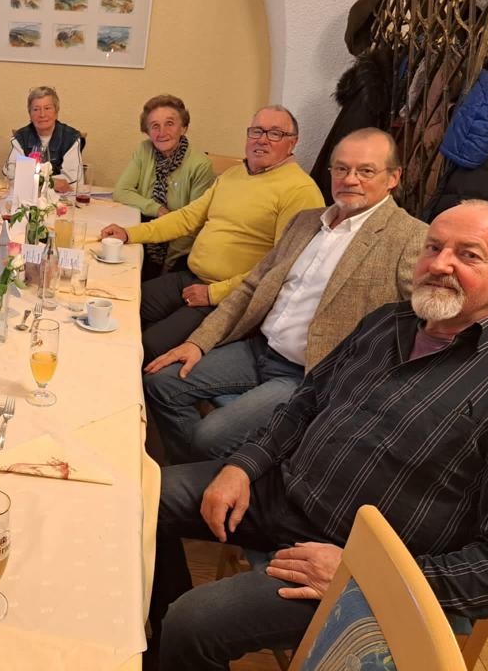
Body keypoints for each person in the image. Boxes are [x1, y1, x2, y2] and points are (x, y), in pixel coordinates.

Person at [148, 199, 488, 670]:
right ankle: (151, 640)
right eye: (433, 247)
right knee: (141, 499)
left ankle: (173, 640)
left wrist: (366, 574)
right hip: (282, 491)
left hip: (358, 561)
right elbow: (305, 401)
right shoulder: (388, 321)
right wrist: (244, 464)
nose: (441, 264)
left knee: (194, 621)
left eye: (469, 255)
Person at [143, 128, 427, 462]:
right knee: (161, 385)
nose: (350, 179)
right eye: (341, 168)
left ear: (393, 178)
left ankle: (217, 474)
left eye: (366, 171)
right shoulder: (306, 222)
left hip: (308, 374)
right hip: (259, 349)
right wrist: (198, 342)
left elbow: (429, 327)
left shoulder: (411, 238)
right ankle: (199, 472)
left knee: (209, 436)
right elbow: (251, 287)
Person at [101, 106, 324, 362]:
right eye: (256, 131)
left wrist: (214, 293)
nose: (262, 140)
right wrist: (129, 234)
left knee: (145, 346)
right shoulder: (234, 175)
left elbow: (281, 269)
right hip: (190, 277)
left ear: (293, 142)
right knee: (115, 305)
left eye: (275, 133)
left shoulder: (300, 191)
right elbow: (187, 218)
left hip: (227, 298)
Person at [113, 94, 216, 279]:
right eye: (155, 126)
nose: (162, 132)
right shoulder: (145, 150)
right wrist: (157, 209)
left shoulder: (200, 165)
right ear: (147, 131)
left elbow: (194, 225)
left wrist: (167, 264)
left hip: (178, 248)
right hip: (144, 234)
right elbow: (121, 191)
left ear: (183, 127)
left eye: (169, 123)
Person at [2, 85, 85, 193]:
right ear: (30, 113)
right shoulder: (20, 138)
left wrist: (30, 179)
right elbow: (12, 176)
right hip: (27, 199)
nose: (42, 114)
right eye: (36, 109)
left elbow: (72, 181)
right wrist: (51, 182)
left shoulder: (71, 138)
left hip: (62, 199)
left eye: (47, 108)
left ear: (56, 112)